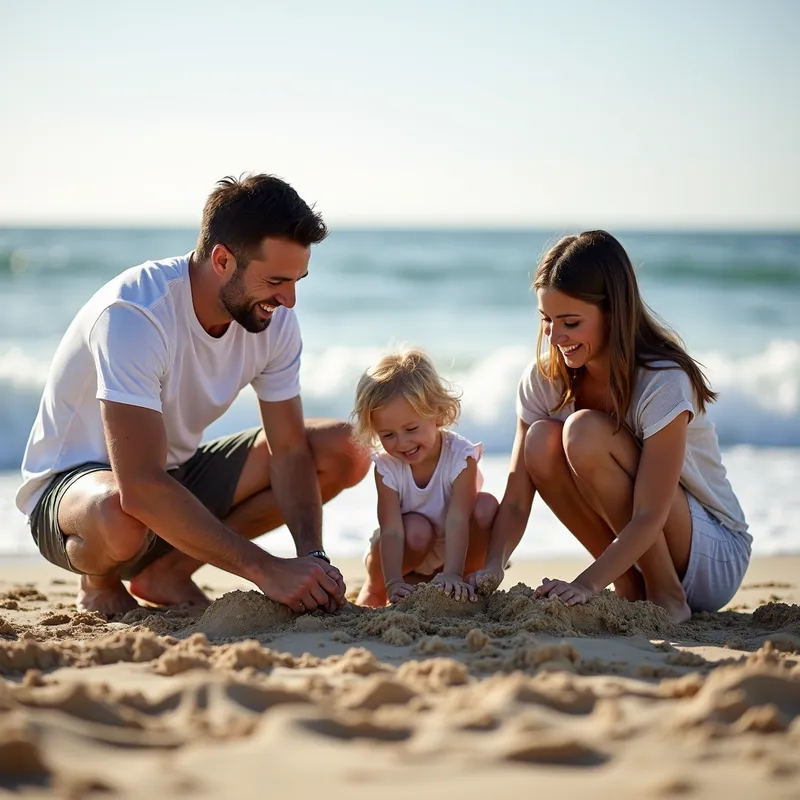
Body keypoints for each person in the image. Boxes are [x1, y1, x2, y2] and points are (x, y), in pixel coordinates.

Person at [15, 173, 370, 617]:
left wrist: (311, 560)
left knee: (344, 448)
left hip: (172, 472)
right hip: (75, 495)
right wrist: (266, 570)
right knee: (120, 513)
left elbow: (290, 450)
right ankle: (98, 583)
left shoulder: (272, 319)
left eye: (297, 280)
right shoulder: (135, 314)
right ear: (222, 260)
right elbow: (140, 487)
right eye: (277, 280)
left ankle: (168, 573)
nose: (290, 300)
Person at [470, 230, 751, 622]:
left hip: (711, 553)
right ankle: (630, 586)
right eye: (547, 321)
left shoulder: (663, 380)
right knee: (540, 440)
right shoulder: (545, 379)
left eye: (570, 322)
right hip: (634, 550)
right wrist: (493, 564)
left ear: (614, 312)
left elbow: (650, 514)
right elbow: (517, 498)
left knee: (583, 433)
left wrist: (585, 584)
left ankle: (667, 595)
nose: (555, 337)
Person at [350, 347, 498, 606]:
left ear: (437, 414)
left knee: (486, 506)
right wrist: (392, 581)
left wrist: (451, 573)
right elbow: (392, 530)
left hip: (451, 551)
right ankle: (375, 591)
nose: (402, 443)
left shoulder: (460, 458)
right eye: (387, 435)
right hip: (401, 552)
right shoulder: (387, 466)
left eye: (411, 429)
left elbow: (458, 518)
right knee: (417, 529)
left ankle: (465, 581)